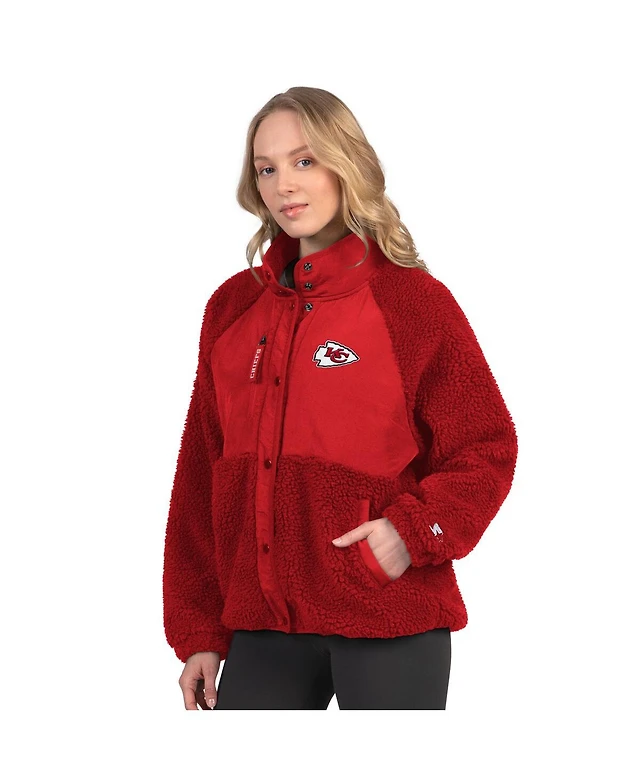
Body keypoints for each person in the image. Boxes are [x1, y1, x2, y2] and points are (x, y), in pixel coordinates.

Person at [163, 86, 518, 710]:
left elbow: (485, 446)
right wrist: (200, 630)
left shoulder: (412, 303)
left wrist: (412, 532)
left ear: (345, 163)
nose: (283, 185)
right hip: (263, 623)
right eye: (266, 169)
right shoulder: (233, 308)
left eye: (304, 161)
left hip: (388, 614)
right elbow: (201, 472)